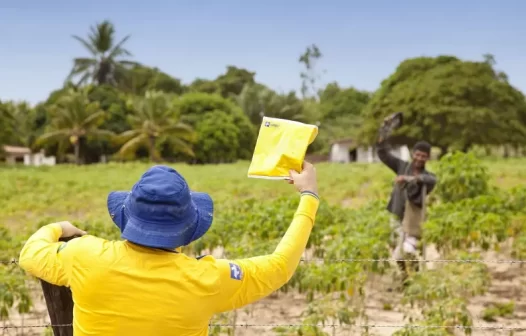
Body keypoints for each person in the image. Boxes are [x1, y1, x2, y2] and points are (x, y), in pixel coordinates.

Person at [19, 162, 319, 336]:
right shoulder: (208, 279)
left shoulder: (83, 255)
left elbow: (30, 254)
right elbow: (280, 265)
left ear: (126, 215)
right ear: (189, 228)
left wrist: (59, 227)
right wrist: (309, 195)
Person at [376, 126, 437, 284]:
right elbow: (383, 155)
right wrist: (382, 137)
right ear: (412, 154)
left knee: (407, 250)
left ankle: (414, 275)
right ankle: (406, 278)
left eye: (423, 156)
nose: (419, 158)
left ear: (428, 158)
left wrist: (409, 179)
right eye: (417, 154)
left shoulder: (428, 176)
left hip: (413, 221)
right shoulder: (402, 166)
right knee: (398, 252)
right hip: (397, 214)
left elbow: (430, 181)